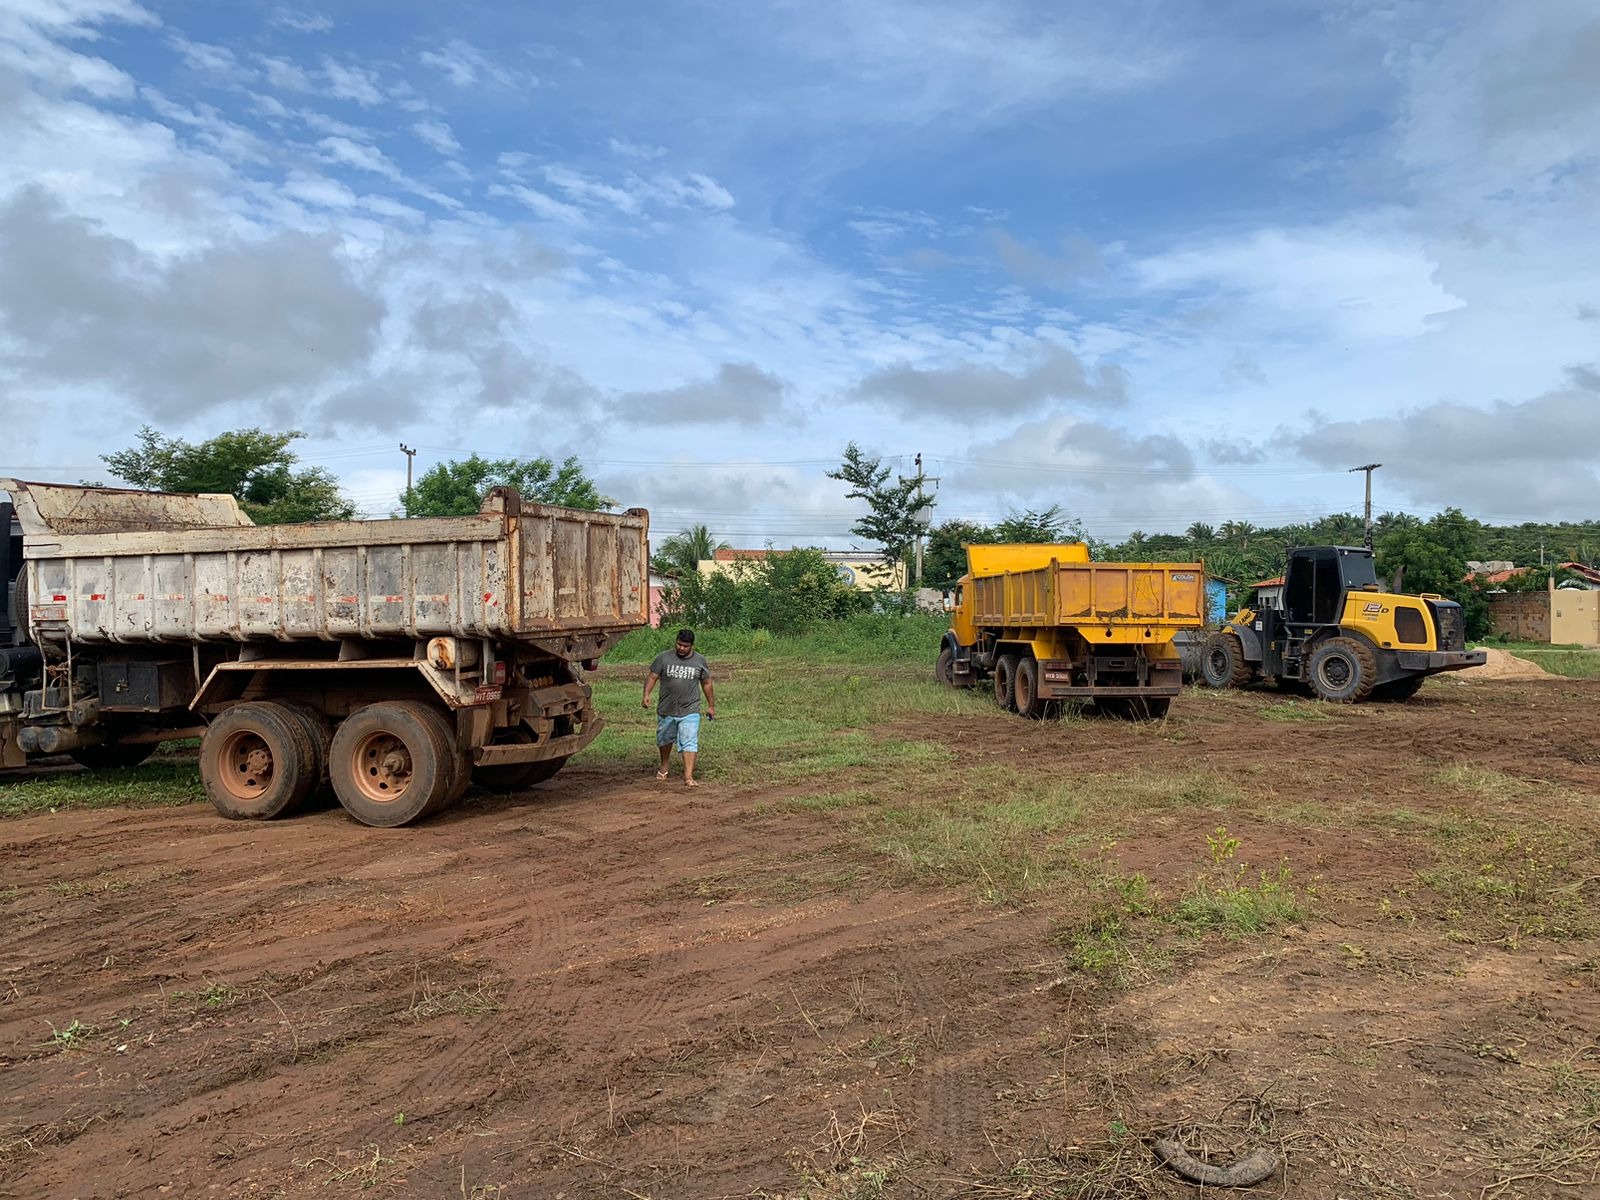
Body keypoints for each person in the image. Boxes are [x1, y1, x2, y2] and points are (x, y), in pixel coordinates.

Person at [642, 628, 715, 786]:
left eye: (685, 646)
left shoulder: (699, 661)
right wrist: (646, 695)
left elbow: (707, 683)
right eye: (679, 644)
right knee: (664, 739)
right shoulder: (663, 658)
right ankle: (664, 765)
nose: (681, 648)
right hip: (667, 709)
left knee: (689, 741)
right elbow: (652, 676)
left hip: (690, 709)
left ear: (692, 646)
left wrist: (711, 705)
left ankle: (688, 777)